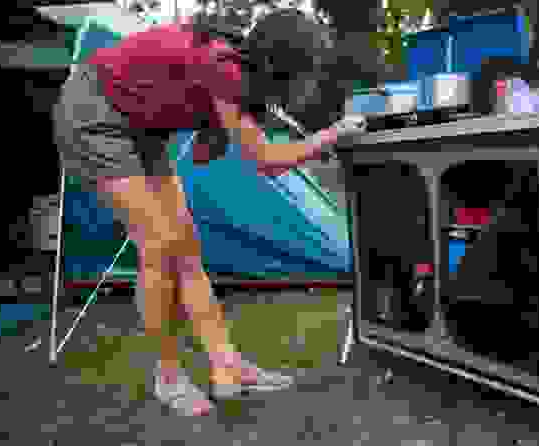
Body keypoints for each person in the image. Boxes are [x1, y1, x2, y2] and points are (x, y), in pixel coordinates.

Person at [53, 8, 387, 416]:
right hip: (94, 115)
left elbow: (204, 147)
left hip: (143, 127)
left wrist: (212, 127)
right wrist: (329, 137)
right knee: (159, 248)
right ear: (283, 66)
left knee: (187, 248)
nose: (312, 81)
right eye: (309, 71)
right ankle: (169, 377)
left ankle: (226, 367)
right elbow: (266, 160)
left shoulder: (241, 80)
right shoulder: (224, 69)